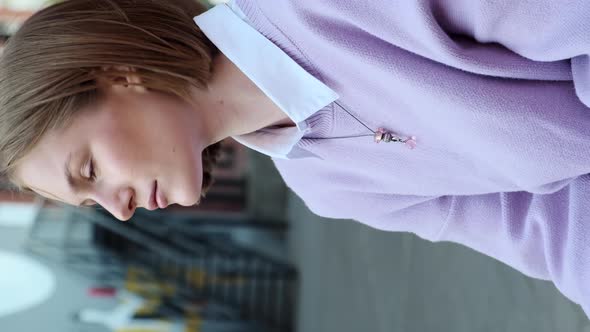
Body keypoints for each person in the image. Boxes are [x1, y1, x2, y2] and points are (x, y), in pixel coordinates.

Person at [1, 0, 589, 319]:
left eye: (90, 171)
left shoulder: (320, 9)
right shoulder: (328, 185)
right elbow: (551, 232)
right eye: (91, 202)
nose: (119, 211)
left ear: (115, 73)